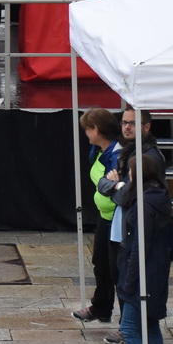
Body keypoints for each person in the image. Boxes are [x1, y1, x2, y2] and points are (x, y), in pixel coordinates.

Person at [112, 152, 173, 344]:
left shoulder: (144, 204)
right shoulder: (158, 197)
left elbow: (140, 245)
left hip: (143, 273)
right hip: (156, 270)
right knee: (150, 324)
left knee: (130, 328)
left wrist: (129, 281)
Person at [73, 108, 122, 329]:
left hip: (118, 218)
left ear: (97, 130)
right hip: (105, 216)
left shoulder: (117, 154)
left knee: (117, 270)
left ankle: (128, 323)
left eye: (87, 129)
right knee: (101, 264)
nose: (85, 133)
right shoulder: (101, 151)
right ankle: (101, 307)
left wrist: (108, 185)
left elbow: (115, 186)